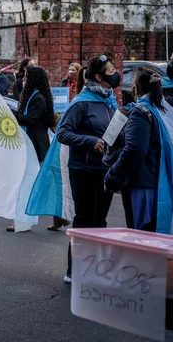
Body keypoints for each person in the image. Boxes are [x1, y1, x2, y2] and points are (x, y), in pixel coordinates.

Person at [57, 55, 120, 283]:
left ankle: (96, 267)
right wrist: (90, 141)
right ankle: (74, 270)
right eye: (111, 70)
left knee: (100, 221)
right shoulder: (81, 102)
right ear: (98, 76)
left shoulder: (110, 101)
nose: (115, 74)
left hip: (105, 169)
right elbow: (63, 133)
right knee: (84, 219)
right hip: (83, 170)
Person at [105, 68, 170, 231]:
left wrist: (112, 176)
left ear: (135, 88)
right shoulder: (161, 110)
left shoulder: (140, 113)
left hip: (142, 187)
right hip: (158, 184)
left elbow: (134, 149)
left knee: (142, 240)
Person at [6, 66, 64, 232]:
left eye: (25, 77)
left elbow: (30, 120)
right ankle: (57, 215)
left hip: (35, 145)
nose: (23, 79)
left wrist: (11, 114)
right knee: (37, 183)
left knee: (27, 184)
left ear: (33, 80)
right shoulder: (32, 97)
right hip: (31, 144)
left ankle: (23, 221)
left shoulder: (38, 99)